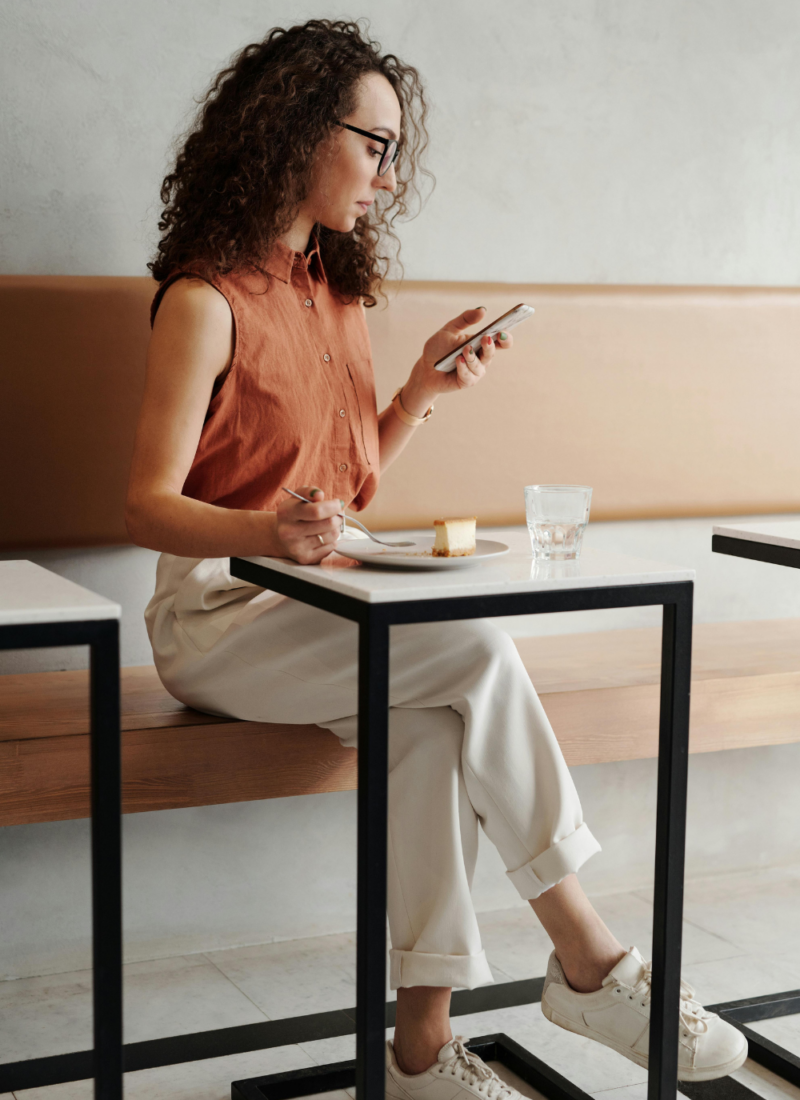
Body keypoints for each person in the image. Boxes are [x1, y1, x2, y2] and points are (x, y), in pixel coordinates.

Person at [126, 18, 746, 1096]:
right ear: (295, 131)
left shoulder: (337, 290)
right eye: (374, 143)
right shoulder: (203, 299)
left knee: (423, 729)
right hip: (219, 615)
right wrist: (263, 531)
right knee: (468, 649)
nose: (387, 172)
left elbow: (351, 490)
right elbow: (141, 502)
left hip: (329, 593)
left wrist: (415, 392)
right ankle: (590, 957)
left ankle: (418, 1054)